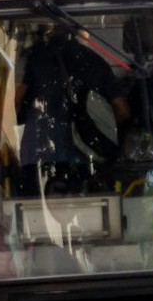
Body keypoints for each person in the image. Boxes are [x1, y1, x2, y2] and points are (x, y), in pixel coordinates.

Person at [16, 24, 131, 196]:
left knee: (29, 210)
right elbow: (123, 111)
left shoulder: (37, 57)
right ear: (82, 35)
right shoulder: (96, 63)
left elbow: (18, 101)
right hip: (83, 159)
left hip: (36, 153)